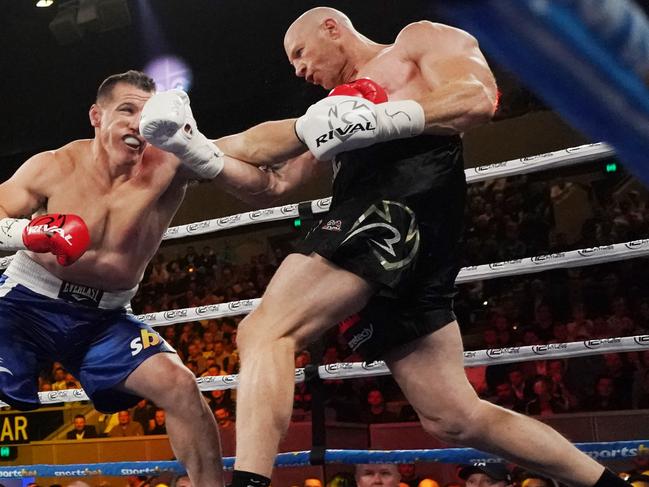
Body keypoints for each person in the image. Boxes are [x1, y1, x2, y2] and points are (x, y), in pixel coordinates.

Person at [141, 7, 629, 487]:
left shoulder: (415, 42)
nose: (298, 69)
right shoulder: (335, 109)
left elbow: (477, 98)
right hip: (410, 234)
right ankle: (605, 484)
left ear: (332, 28)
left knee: (264, 330)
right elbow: (271, 180)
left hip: (400, 205)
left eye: (301, 53)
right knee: (455, 417)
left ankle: (248, 484)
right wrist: (192, 150)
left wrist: (381, 118)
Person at [0, 71, 223, 486]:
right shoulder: (54, 165)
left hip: (104, 318)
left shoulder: (171, 164)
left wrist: (306, 128)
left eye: (148, 112)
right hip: (23, 302)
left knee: (179, 386)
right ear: (96, 116)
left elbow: (251, 149)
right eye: (127, 110)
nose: (139, 122)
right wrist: (26, 233)